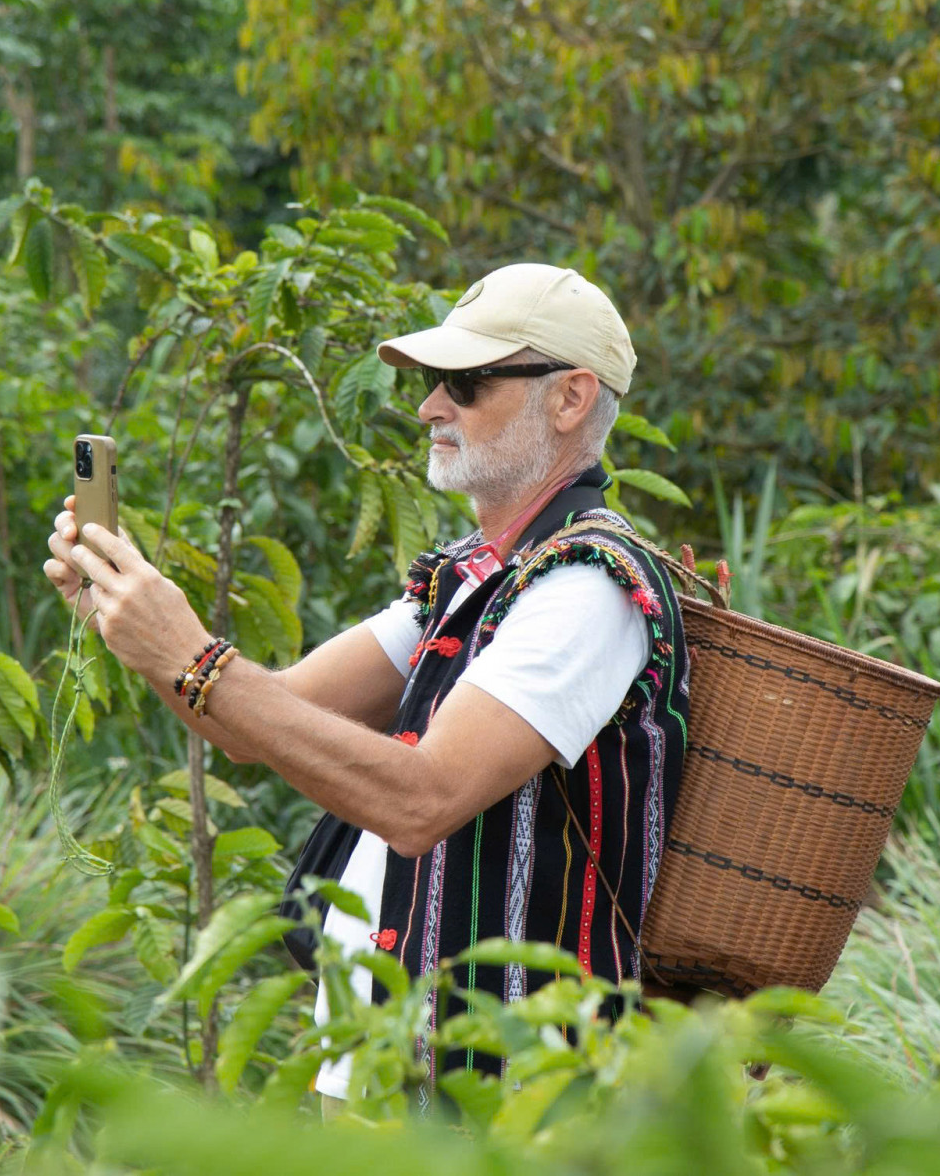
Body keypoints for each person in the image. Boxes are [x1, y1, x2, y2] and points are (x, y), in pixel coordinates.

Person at [41, 263, 688, 1108]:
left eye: (465, 383)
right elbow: (252, 721)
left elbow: (423, 798)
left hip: (506, 1103)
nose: (430, 407)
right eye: (430, 382)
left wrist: (191, 652)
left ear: (570, 398)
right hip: (384, 1072)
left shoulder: (586, 586)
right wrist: (138, 627)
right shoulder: (470, 574)